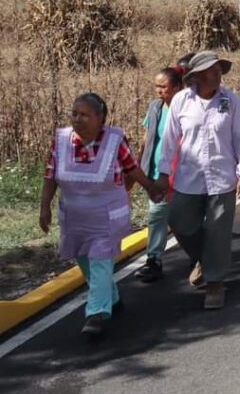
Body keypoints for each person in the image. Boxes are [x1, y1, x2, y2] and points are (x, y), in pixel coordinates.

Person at [39, 93, 161, 336]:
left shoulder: (115, 140)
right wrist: (44, 208)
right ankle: (112, 299)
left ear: (100, 118)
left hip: (106, 218)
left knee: (100, 259)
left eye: (84, 115)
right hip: (74, 219)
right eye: (74, 114)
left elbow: (132, 168)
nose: (77, 119)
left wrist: (149, 186)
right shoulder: (61, 141)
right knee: (85, 261)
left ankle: (96, 313)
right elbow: (50, 176)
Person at [155, 51, 240, 310]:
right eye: (212, 70)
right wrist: (163, 174)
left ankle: (215, 285)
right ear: (197, 76)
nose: (217, 74)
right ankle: (206, 261)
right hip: (189, 177)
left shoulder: (230, 100)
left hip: (222, 176)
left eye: (220, 69)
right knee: (180, 222)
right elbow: (169, 140)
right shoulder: (181, 101)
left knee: (219, 231)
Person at [133, 65, 185, 283]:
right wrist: (137, 164)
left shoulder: (186, 109)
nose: (159, 91)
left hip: (182, 175)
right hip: (156, 174)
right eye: (156, 86)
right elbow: (147, 138)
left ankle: (200, 258)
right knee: (156, 217)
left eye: (163, 86)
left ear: (177, 87)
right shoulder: (155, 107)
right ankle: (154, 260)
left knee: (185, 219)